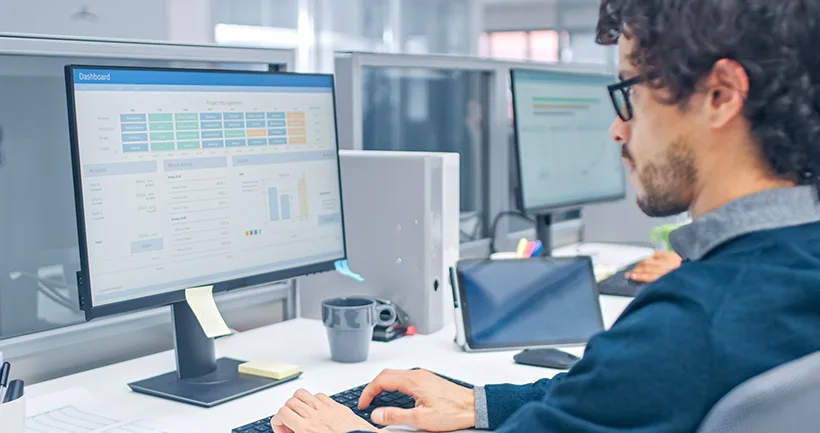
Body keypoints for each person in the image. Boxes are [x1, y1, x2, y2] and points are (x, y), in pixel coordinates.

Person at [270, 0, 820, 431]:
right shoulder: (789, 273)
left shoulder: (690, 323)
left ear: (720, 95)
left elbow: (654, 370)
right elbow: (623, 395)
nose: (618, 127)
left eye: (630, 91)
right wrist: (478, 401)